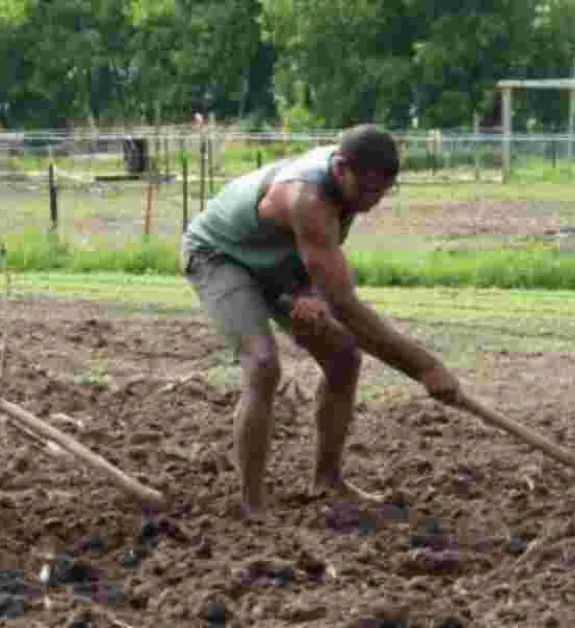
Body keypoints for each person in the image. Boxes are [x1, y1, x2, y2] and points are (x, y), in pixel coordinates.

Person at [180, 124, 462, 518]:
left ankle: (327, 482)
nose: (371, 203)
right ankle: (252, 504)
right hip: (221, 256)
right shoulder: (308, 197)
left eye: (380, 194)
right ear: (342, 167)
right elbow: (346, 307)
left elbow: (319, 255)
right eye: (366, 192)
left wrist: (312, 290)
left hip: (280, 264)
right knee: (262, 365)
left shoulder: (351, 174)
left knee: (343, 357)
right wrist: (426, 367)